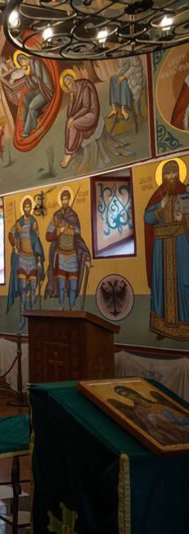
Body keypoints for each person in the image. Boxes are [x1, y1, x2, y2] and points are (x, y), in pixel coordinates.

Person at [144, 158, 189, 340]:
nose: (170, 177)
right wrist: (158, 210)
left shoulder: (185, 195)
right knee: (161, 285)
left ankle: (184, 325)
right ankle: (162, 326)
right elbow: (147, 219)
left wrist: (183, 215)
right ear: (162, 177)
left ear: (178, 175)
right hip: (161, 248)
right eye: (167, 173)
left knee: (184, 283)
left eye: (173, 173)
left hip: (180, 244)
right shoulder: (158, 196)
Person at [45, 189, 91, 310]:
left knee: (73, 286)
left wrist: (86, 255)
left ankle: (72, 307)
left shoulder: (73, 217)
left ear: (69, 200)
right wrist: (57, 232)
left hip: (72, 256)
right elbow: (48, 236)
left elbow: (79, 237)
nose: (64, 201)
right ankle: (61, 306)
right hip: (60, 255)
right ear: (60, 200)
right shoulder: (56, 217)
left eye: (66, 199)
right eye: (63, 199)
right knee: (60, 286)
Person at [7, 197, 44, 329]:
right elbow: (10, 234)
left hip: (32, 259)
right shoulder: (18, 223)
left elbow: (37, 241)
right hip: (22, 258)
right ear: (23, 208)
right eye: (25, 207)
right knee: (23, 289)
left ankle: (34, 319)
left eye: (29, 207)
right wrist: (14, 246)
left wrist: (39, 260)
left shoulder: (34, 222)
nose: (27, 209)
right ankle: (22, 317)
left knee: (33, 289)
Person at [109, 385, 189, 446]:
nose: (130, 396)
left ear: (133, 392)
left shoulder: (157, 404)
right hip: (171, 431)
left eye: (129, 393)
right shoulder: (139, 411)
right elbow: (149, 427)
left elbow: (179, 415)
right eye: (126, 396)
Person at [60, 71, 99, 168]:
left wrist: (73, 118)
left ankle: (69, 153)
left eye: (70, 80)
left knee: (73, 123)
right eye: (68, 84)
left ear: (73, 78)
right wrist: (72, 100)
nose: (70, 83)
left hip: (91, 114)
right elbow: (69, 114)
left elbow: (86, 107)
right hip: (82, 116)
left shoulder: (84, 87)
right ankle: (69, 150)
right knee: (69, 123)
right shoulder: (73, 94)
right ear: (67, 87)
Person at [16, 53, 54, 137]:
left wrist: (28, 75)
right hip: (40, 89)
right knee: (26, 97)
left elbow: (38, 80)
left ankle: (27, 130)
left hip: (46, 90)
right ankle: (26, 122)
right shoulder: (30, 65)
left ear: (24, 59)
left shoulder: (35, 62)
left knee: (31, 106)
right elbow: (32, 87)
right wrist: (27, 77)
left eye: (21, 63)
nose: (21, 66)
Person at [108, 56, 144, 121]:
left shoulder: (135, 57)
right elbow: (124, 67)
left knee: (123, 82)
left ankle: (123, 110)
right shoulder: (124, 55)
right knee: (113, 78)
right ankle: (113, 109)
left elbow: (134, 68)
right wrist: (117, 74)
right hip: (128, 77)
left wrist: (124, 76)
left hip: (134, 80)